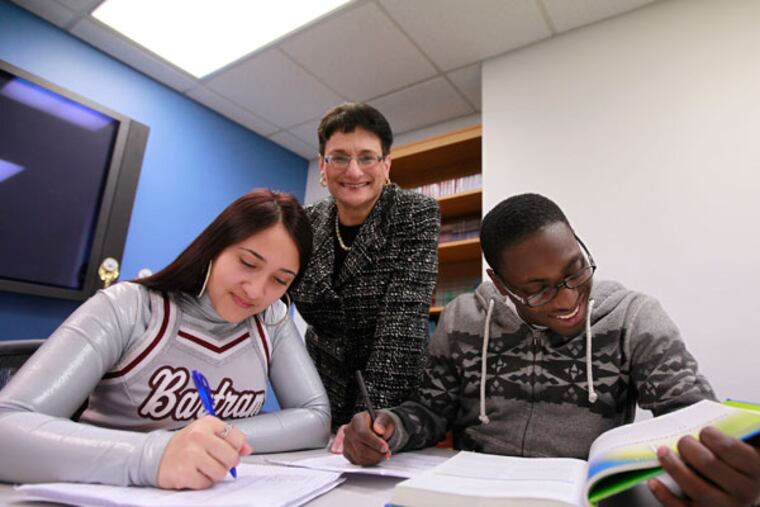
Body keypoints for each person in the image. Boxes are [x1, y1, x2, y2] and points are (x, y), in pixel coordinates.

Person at [342, 193, 760, 507]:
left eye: (574, 270)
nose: (565, 299)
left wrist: (723, 467)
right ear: (500, 283)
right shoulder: (461, 319)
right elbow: (431, 412)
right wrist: (391, 428)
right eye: (537, 289)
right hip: (472, 495)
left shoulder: (633, 317)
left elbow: (692, 416)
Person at [0, 189, 331, 489]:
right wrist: (156, 453)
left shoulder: (271, 319)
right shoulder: (130, 306)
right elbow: (7, 427)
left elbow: (314, 417)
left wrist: (212, 440)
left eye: (280, 280)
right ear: (213, 248)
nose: (257, 291)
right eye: (247, 263)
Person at [290, 103, 440, 438]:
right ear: (323, 166)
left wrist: (368, 420)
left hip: (393, 396)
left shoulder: (414, 213)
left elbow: (401, 324)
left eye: (367, 157)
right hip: (320, 390)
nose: (353, 171)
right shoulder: (305, 222)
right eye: (339, 157)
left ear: (386, 165)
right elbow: (272, 302)